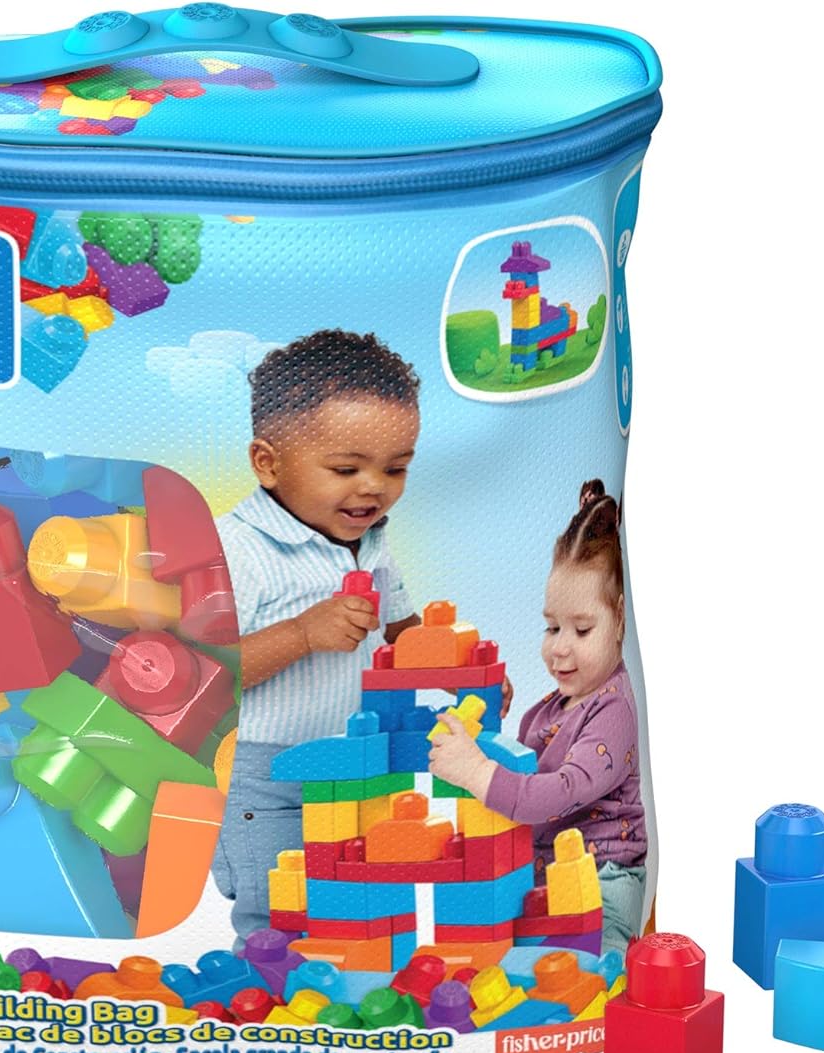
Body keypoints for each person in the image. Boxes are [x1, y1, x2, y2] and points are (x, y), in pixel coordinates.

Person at [210, 330, 425, 941]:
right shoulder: (237, 549)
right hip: (261, 770)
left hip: (355, 762)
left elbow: (403, 633)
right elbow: (203, 675)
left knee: (355, 899)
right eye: (345, 469)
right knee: (280, 907)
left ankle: (343, 987)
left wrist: (458, 669)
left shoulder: (373, 542)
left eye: (396, 468)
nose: (374, 487)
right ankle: (264, 990)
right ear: (268, 463)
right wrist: (302, 634)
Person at [428, 479, 647, 952]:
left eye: (582, 630)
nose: (559, 648)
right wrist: (484, 732)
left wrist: (476, 770)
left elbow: (559, 793)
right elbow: (520, 777)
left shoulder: (613, 709)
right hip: (540, 875)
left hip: (601, 880)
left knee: (593, 970)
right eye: (552, 627)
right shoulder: (545, 710)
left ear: (620, 619)